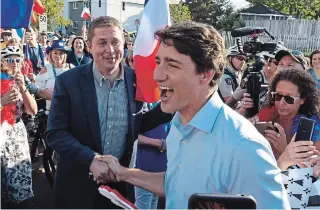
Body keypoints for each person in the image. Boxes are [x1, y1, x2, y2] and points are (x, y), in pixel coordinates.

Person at [97, 21, 290, 209]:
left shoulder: (244, 147)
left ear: (206, 74)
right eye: (158, 61)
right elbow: (175, 184)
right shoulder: (179, 124)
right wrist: (124, 174)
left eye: (171, 65)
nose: (157, 75)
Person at [45, 16, 172, 209]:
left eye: (115, 42)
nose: (110, 50)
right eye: (102, 43)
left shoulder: (136, 80)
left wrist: (169, 105)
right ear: (89, 45)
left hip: (118, 188)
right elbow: (55, 133)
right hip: (76, 187)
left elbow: (139, 123)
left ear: (124, 44)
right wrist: (91, 159)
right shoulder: (68, 82)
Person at [249, 69, 320, 160]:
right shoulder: (266, 116)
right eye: (278, 96)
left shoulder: (315, 129)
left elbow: (309, 171)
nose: (281, 103)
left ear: (303, 100)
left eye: (289, 98)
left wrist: (283, 149)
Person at [0, 46, 37, 208]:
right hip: (1, 132)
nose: (14, 63)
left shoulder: (22, 79)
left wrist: (23, 89)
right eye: (10, 59)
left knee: (19, 177)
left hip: (17, 134)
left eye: (17, 59)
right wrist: (2, 102)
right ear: (2, 61)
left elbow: (32, 110)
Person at [35, 40, 74, 111]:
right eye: (55, 53)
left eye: (61, 53)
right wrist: (46, 93)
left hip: (70, 111)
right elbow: (37, 88)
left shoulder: (71, 68)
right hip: (51, 111)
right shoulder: (46, 69)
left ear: (65, 55)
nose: (58, 56)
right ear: (51, 54)